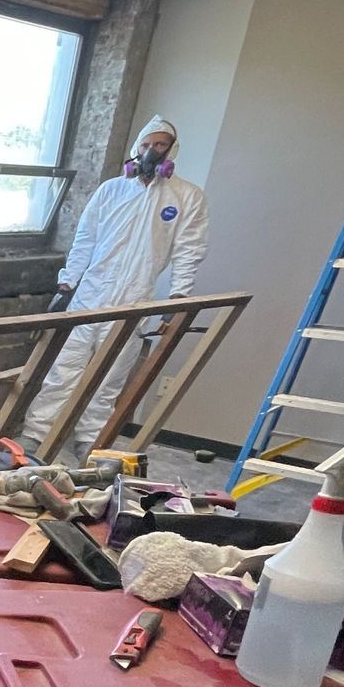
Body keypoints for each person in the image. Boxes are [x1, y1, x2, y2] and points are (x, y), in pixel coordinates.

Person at [21, 115, 208, 461]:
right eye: (146, 145)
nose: (151, 152)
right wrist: (67, 283)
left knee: (108, 380)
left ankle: (90, 446)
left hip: (134, 299)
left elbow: (189, 249)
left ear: (172, 151)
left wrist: (179, 297)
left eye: (160, 145)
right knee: (63, 369)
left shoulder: (186, 198)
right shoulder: (111, 190)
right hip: (88, 295)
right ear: (136, 149)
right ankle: (36, 438)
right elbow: (85, 238)